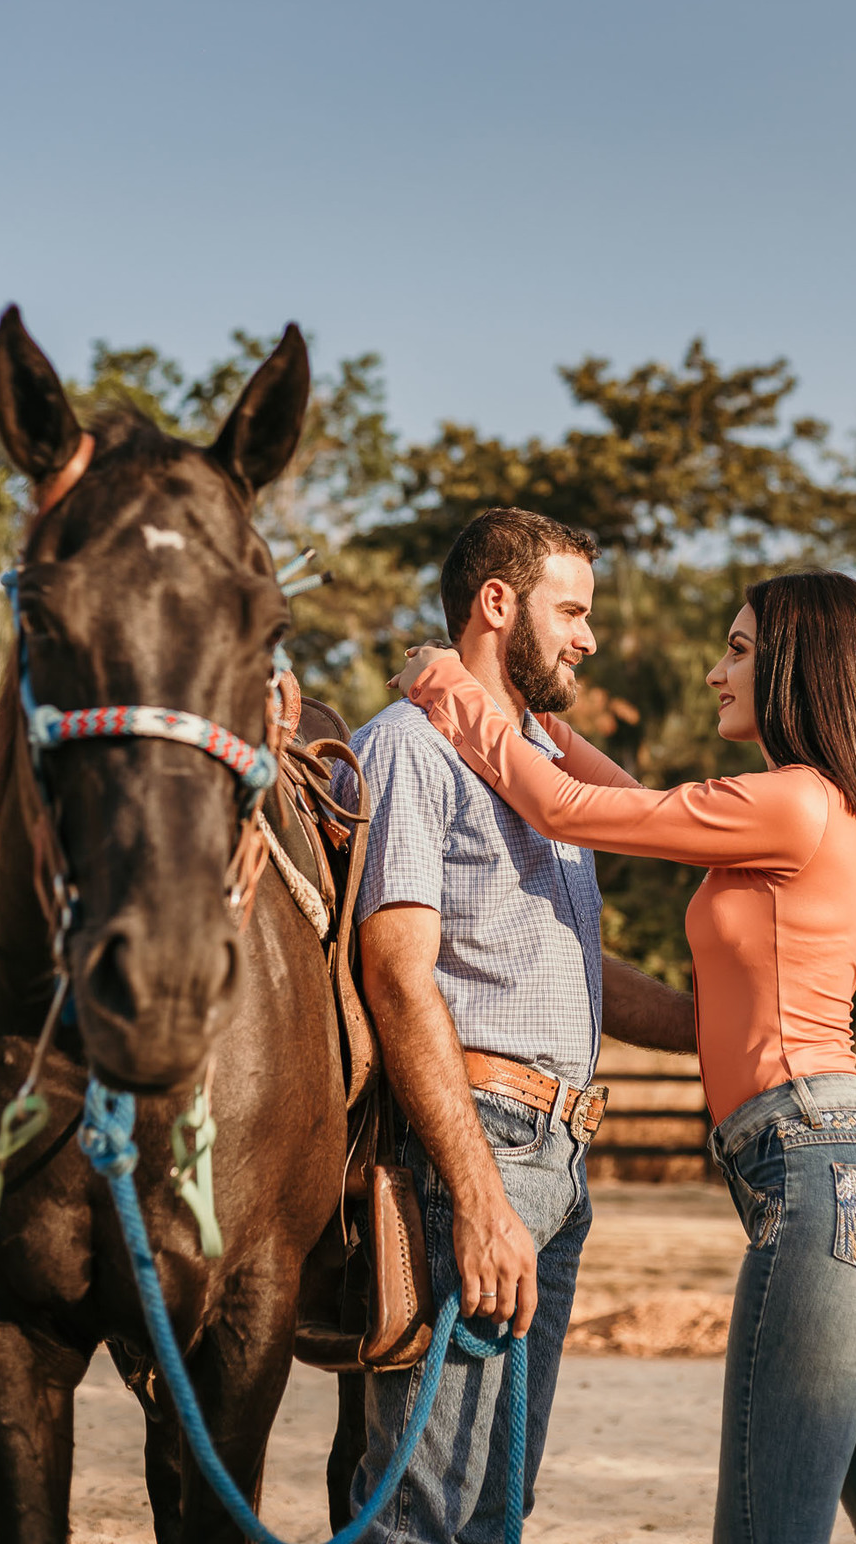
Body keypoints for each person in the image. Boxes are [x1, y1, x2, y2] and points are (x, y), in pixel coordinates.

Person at [394, 569, 856, 1544]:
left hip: (817, 1184)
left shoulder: (791, 802)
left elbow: (565, 810)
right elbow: (633, 803)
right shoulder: (829, 811)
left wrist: (449, 686)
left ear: (797, 667)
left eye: (739, 650)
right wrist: (538, 720)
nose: (716, 672)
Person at [343, 507, 695, 1544]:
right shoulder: (411, 746)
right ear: (497, 604)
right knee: (422, 1507)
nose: (589, 637)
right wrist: (476, 1194)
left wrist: (715, 1028)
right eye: (571, 612)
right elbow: (397, 975)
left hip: (560, 1155)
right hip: (481, 1141)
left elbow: (570, 966)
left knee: (499, 1508)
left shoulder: (541, 764)